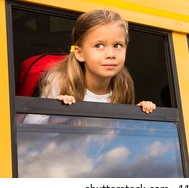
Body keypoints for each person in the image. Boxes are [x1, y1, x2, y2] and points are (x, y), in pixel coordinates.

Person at [23, 10, 156, 124]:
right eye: (99, 45)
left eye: (117, 45)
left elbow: (117, 132)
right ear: (80, 53)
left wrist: (138, 116)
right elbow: (29, 125)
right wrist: (55, 117)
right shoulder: (59, 82)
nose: (111, 54)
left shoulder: (123, 85)